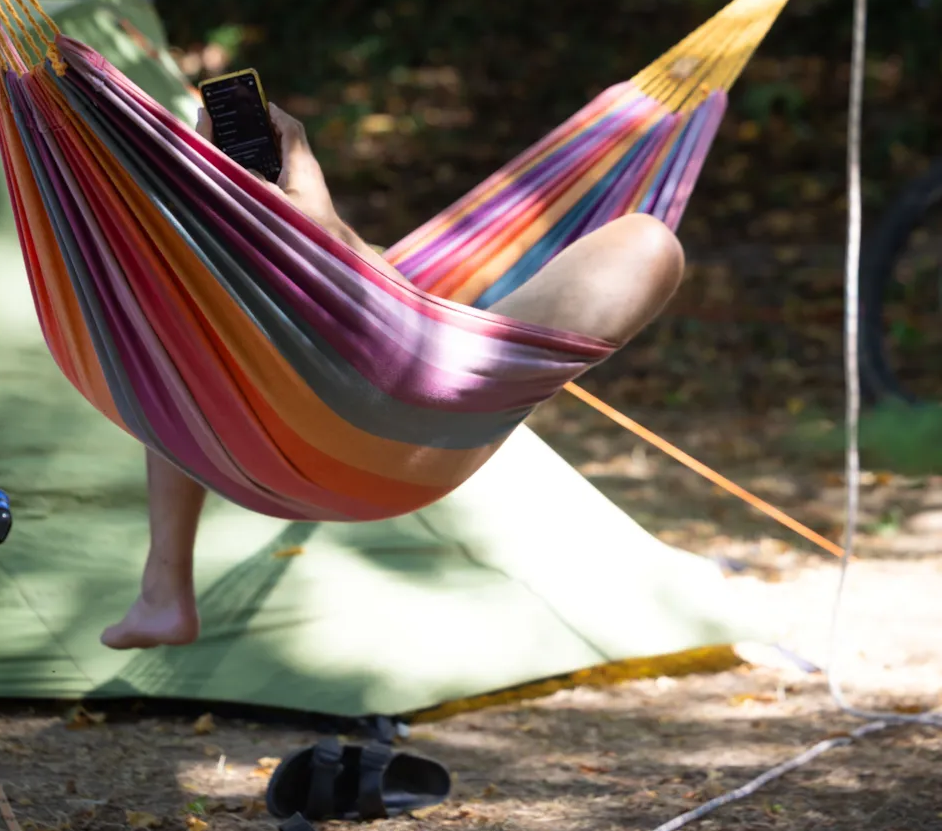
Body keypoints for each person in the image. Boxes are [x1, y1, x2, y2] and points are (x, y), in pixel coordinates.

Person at [102, 100, 685, 650]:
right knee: (649, 242)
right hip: (423, 430)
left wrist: (319, 231)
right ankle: (162, 591)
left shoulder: (205, 323)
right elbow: (408, 341)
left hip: (308, 425)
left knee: (182, 320)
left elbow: (402, 339)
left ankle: (164, 585)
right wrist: (324, 230)